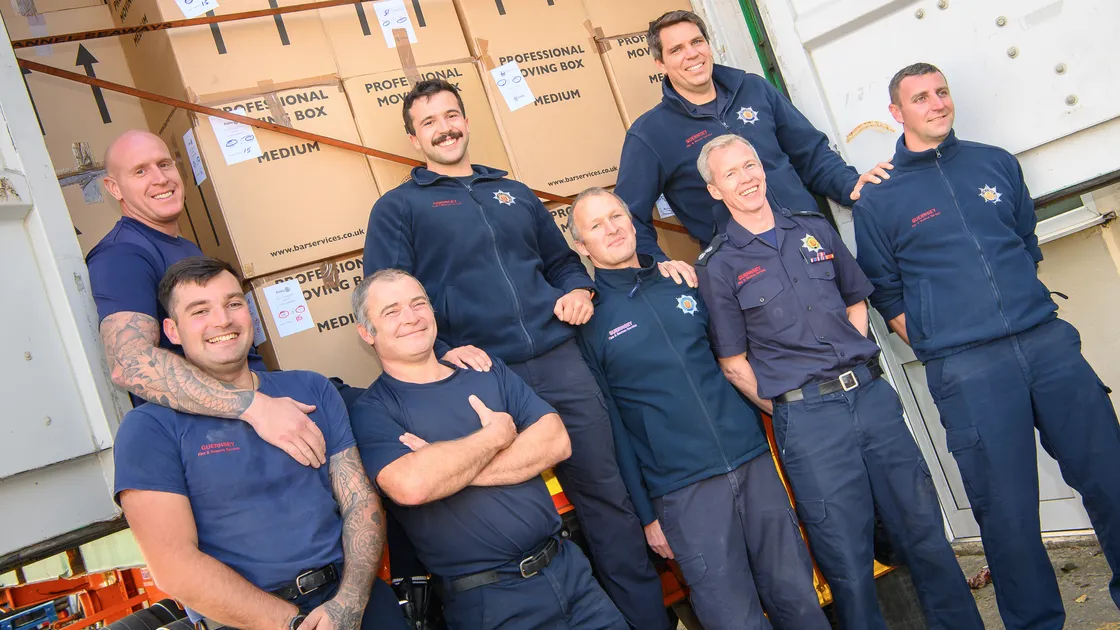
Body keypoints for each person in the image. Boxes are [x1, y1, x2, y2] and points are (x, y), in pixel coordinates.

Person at [362, 79, 672, 628]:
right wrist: (445, 350)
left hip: (558, 357)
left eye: (451, 115)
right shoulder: (398, 208)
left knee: (608, 502)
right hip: (483, 376)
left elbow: (563, 263)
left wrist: (579, 291)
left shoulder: (513, 192)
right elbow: (390, 297)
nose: (444, 128)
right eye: (429, 122)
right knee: (495, 510)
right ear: (414, 139)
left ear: (466, 121)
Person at [854, 62, 1120, 630]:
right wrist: (940, 342)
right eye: (921, 98)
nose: (937, 104)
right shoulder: (879, 200)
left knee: (1111, 476)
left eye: (942, 92)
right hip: (969, 370)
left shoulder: (995, 162)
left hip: (1047, 344)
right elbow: (885, 291)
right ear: (897, 114)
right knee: (1007, 514)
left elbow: (1024, 241)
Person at [694, 134, 982, 630]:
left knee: (925, 535)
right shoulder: (719, 266)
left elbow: (855, 299)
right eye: (731, 173)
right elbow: (734, 363)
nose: (747, 178)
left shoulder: (813, 229)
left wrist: (848, 358)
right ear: (715, 190)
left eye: (751, 165)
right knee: (848, 563)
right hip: (810, 425)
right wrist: (793, 405)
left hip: (872, 400)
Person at [568, 187, 829, 630]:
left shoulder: (684, 281)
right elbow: (610, 426)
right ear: (581, 246)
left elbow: (734, 360)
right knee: (735, 620)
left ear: (632, 222)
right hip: (682, 491)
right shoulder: (589, 323)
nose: (611, 229)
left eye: (616, 216)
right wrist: (648, 516)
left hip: (752, 462)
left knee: (799, 598)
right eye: (596, 225)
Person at [114, 256, 408, 630]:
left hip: (355, 602)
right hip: (250, 620)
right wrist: (291, 624)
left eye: (233, 303)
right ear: (171, 330)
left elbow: (359, 500)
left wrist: (350, 601)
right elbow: (174, 565)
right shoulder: (148, 429)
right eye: (200, 311)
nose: (222, 320)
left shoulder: (310, 389)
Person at [346, 269, 627, 630]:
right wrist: (494, 437)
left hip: (571, 574)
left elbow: (557, 441)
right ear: (367, 333)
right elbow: (411, 486)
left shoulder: (485, 369)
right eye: (391, 311)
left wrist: (448, 468)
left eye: (418, 304)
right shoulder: (372, 411)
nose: (411, 317)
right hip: (491, 604)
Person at [87, 130, 326, 468]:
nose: (160, 178)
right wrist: (254, 406)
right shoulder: (122, 254)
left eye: (164, 164)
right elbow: (130, 363)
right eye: (140, 171)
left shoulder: (183, 247)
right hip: (215, 434)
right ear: (114, 188)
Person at [615, 10, 891, 259]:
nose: (691, 54)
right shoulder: (650, 134)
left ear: (708, 46)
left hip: (813, 240)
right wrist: (660, 268)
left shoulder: (753, 89)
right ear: (660, 64)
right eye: (676, 49)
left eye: (697, 42)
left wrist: (849, 185)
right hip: (746, 270)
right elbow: (628, 216)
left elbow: (811, 154)